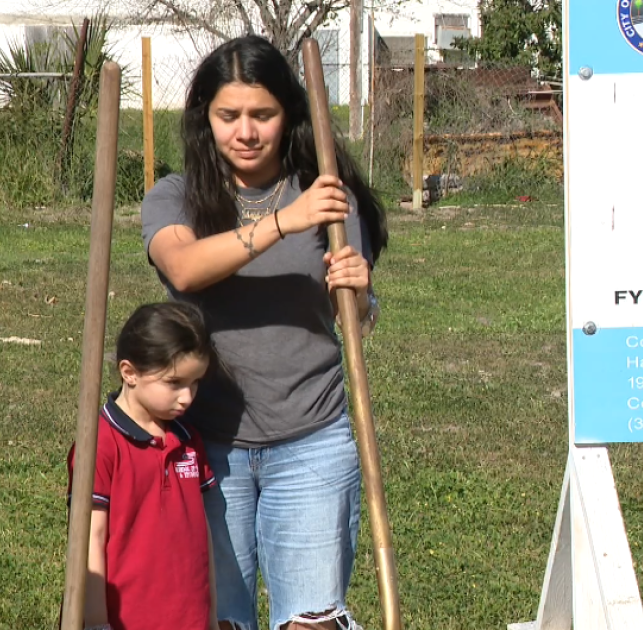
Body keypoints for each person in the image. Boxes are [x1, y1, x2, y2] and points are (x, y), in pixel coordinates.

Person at [140, 34, 389, 630]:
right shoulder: (177, 197)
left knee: (311, 621)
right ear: (206, 119)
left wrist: (360, 293)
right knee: (220, 619)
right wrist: (283, 222)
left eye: (262, 115)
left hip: (312, 439)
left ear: (288, 116)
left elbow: (352, 315)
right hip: (203, 446)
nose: (245, 132)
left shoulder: (329, 198)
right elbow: (184, 267)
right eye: (229, 116)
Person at [66, 301, 218, 630]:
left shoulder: (188, 440)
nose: (187, 397)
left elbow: (202, 534)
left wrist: (211, 616)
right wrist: (94, 622)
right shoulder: (100, 444)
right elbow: (90, 537)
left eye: (195, 383)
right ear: (129, 373)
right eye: (174, 383)